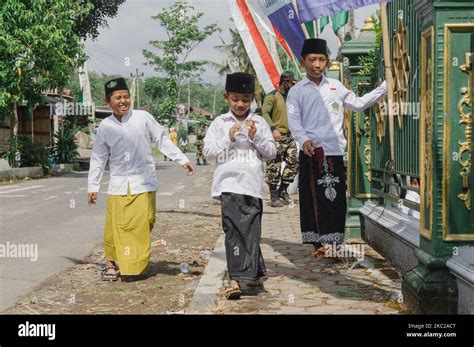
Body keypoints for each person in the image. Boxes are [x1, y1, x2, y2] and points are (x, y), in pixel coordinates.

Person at [287, 38, 387, 259]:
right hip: (311, 152)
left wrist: (384, 88)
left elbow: (358, 104)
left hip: (333, 152)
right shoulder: (297, 91)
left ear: (327, 62)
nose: (317, 65)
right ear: (303, 61)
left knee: (334, 199)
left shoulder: (336, 87)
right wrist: (304, 140)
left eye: (321, 60)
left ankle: (332, 244)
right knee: (312, 198)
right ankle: (318, 243)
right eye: (312, 60)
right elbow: (294, 121)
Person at [88, 77, 195, 281]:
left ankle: (135, 265)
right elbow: (98, 158)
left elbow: (161, 139)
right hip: (119, 185)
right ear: (108, 101)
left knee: (143, 223)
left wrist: (182, 159)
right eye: (118, 97)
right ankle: (111, 263)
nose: (123, 101)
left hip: (144, 183)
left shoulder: (143, 118)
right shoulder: (105, 127)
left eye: (126, 97)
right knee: (116, 227)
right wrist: (92, 186)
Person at [203, 72, 276, 299]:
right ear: (226, 97)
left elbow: (271, 153)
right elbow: (207, 153)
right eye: (235, 99)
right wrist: (229, 138)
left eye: (245, 99)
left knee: (252, 232)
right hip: (228, 185)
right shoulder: (219, 123)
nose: (240, 104)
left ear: (252, 98)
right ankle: (235, 280)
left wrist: (257, 138)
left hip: (252, 186)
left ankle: (254, 272)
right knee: (233, 231)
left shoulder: (260, 123)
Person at [262, 71, 299, 207]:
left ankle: (283, 189)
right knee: (274, 166)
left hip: (289, 136)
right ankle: (273, 195)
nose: (293, 85)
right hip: (276, 136)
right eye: (291, 83)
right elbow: (264, 112)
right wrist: (273, 129)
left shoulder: (291, 97)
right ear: (285, 82)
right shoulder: (272, 96)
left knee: (294, 163)